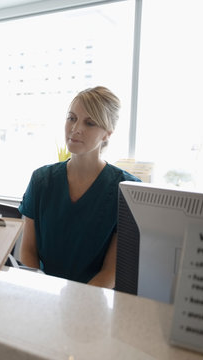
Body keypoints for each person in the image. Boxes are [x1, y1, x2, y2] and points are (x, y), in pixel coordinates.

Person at [18, 86, 140, 288]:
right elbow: (28, 251)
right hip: (43, 298)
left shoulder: (126, 190)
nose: (76, 129)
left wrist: (75, 305)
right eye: (72, 118)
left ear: (107, 134)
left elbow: (111, 272)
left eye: (89, 123)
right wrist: (39, 293)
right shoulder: (41, 180)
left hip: (96, 303)